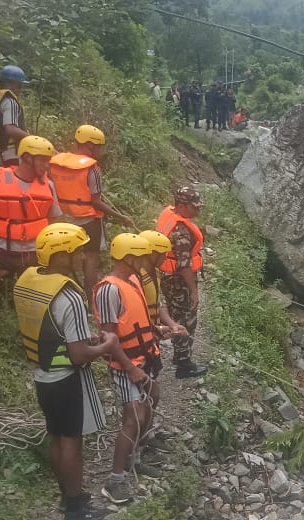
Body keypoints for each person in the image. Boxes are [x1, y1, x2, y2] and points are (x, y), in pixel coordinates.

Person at [12, 223, 128, 520]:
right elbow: (77, 356)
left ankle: (68, 496)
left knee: (56, 436)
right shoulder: (71, 297)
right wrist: (108, 344)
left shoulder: (28, 280)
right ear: (61, 256)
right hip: (66, 380)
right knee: (72, 442)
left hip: (42, 375)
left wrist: (86, 341)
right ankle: (76, 509)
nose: (83, 257)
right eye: (77, 252)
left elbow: (51, 330)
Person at [95, 233, 170, 504]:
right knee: (133, 416)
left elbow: (136, 321)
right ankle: (114, 480)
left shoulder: (133, 281)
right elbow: (109, 335)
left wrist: (158, 330)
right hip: (125, 363)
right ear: (128, 257)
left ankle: (135, 457)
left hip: (144, 356)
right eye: (138, 257)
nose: (142, 261)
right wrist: (129, 368)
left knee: (154, 396)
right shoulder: (108, 290)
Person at [0, 135, 62, 337]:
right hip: (6, 250)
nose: (47, 164)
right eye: (43, 159)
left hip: (36, 253)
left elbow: (54, 222)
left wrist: (53, 255)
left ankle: (43, 333)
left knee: (52, 292)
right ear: (27, 158)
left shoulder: (48, 185)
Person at [49, 125, 135, 288]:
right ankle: (90, 302)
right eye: (99, 146)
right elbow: (96, 201)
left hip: (65, 220)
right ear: (91, 145)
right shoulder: (92, 169)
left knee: (67, 260)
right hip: (88, 221)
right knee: (91, 261)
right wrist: (121, 217)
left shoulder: (59, 161)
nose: (100, 150)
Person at [155, 187, 209, 379]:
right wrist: (194, 291)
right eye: (194, 207)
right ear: (182, 206)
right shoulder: (181, 231)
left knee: (176, 314)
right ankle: (184, 365)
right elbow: (184, 266)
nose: (198, 211)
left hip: (168, 279)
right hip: (179, 281)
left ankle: (179, 356)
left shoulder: (168, 214)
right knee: (186, 319)